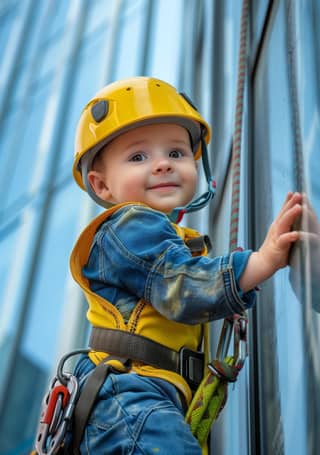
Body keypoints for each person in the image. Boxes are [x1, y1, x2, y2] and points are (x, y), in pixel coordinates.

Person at [69, 77, 302, 454]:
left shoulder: (170, 238)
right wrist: (260, 261)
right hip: (131, 399)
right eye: (138, 157)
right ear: (102, 186)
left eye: (176, 153)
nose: (162, 165)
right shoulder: (130, 225)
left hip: (146, 400)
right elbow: (180, 287)